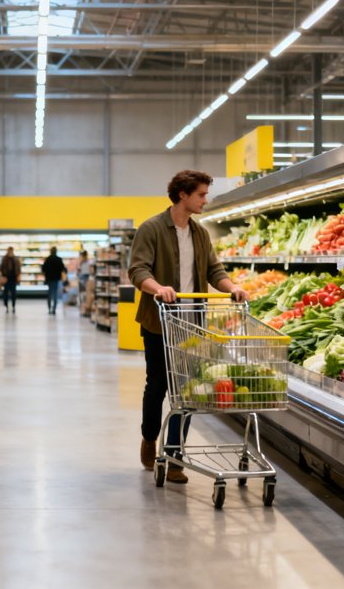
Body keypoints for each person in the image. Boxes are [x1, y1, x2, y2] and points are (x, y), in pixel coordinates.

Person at [127, 170, 248, 485]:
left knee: (188, 392)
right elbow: (138, 269)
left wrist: (231, 287)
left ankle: (174, 456)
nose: (205, 200)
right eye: (201, 195)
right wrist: (158, 288)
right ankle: (149, 436)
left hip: (193, 326)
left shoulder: (200, 233)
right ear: (183, 195)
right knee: (157, 387)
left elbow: (214, 270)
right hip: (159, 324)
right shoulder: (151, 229)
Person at [41, 247, 67, 315]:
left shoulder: (48, 259)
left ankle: (49, 308)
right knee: (55, 293)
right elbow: (63, 268)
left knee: (49, 293)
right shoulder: (59, 259)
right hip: (56, 279)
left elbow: (43, 269)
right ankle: (54, 309)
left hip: (49, 279)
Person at [0, 247, 20, 313]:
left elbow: (18, 268)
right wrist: (2, 276)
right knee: (5, 293)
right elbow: (1, 268)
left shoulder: (15, 259)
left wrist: (18, 276)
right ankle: (6, 306)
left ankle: (13, 306)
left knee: (13, 293)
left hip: (13, 278)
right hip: (6, 278)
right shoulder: (4, 259)